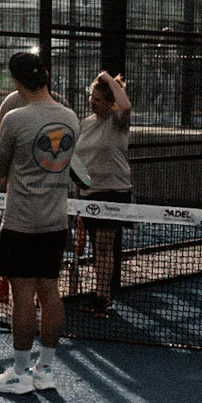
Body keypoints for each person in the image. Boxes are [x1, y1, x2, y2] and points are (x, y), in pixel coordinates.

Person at [0, 49, 80, 394]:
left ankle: (20, 373)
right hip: (56, 223)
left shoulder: (14, 119)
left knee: (23, 297)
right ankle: (46, 370)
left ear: (15, 81)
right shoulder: (70, 117)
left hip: (22, 223)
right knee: (50, 292)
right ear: (45, 76)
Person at [71, 70, 132, 314]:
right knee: (98, 247)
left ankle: (103, 297)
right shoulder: (85, 123)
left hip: (114, 191)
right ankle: (101, 293)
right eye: (91, 97)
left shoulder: (118, 121)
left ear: (110, 103)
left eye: (97, 99)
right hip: (88, 193)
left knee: (105, 245)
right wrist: (77, 194)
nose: (92, 102)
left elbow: (125, 104)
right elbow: (77, 160)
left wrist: (106, 78)